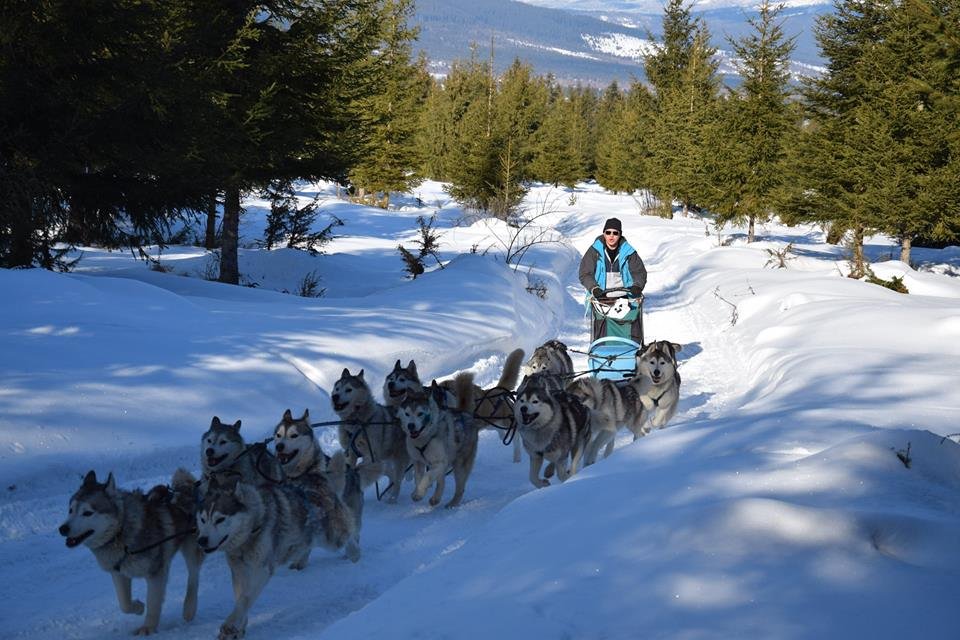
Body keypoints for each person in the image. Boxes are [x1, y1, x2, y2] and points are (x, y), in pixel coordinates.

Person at [578, 217, 647, 343]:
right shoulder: (595, 251)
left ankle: (632, 351)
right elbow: (585, 273)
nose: (611, 236)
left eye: (615, 233)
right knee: (602, 331)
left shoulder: (629, 251)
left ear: (620, 235)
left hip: (626, 297)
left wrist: (637, 286)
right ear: (604, 233)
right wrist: (594, 288)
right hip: (601, 298)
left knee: (630, 326)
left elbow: (639, 272)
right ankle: (602, 352)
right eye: (608, 232)